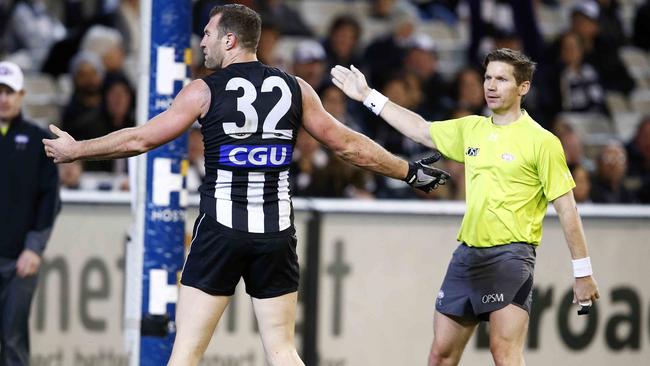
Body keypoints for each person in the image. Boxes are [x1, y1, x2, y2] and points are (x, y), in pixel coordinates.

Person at [42, 5, 449, 366]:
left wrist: (78, 150)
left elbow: (141, 139)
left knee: (185, 353)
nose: (201, 41)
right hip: (275, 233)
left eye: (208, 33)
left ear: (230, 40)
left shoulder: (204, 90)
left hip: (221, 230)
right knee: (282, 350)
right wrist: (407, 172)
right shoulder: (296, 88)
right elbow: (348, 146)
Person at [331, 48, 600, 366]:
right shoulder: (472, 129)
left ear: (523, 88)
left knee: (504, 352)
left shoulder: (542, 142)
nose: (491, 85)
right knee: (440, 356)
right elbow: (420, 129)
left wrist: (582, 272)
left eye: (501, 79)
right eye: (488, 77)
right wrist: (368, 96)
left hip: (511, 257)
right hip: (467, 256)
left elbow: (567, 208)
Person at [0, 61, 60, 365]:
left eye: (9, 92)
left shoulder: (39, 142)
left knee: (13, 338)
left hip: (18, 259)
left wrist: (34, 248)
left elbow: (50, 200)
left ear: (22, 95)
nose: (3, 99)